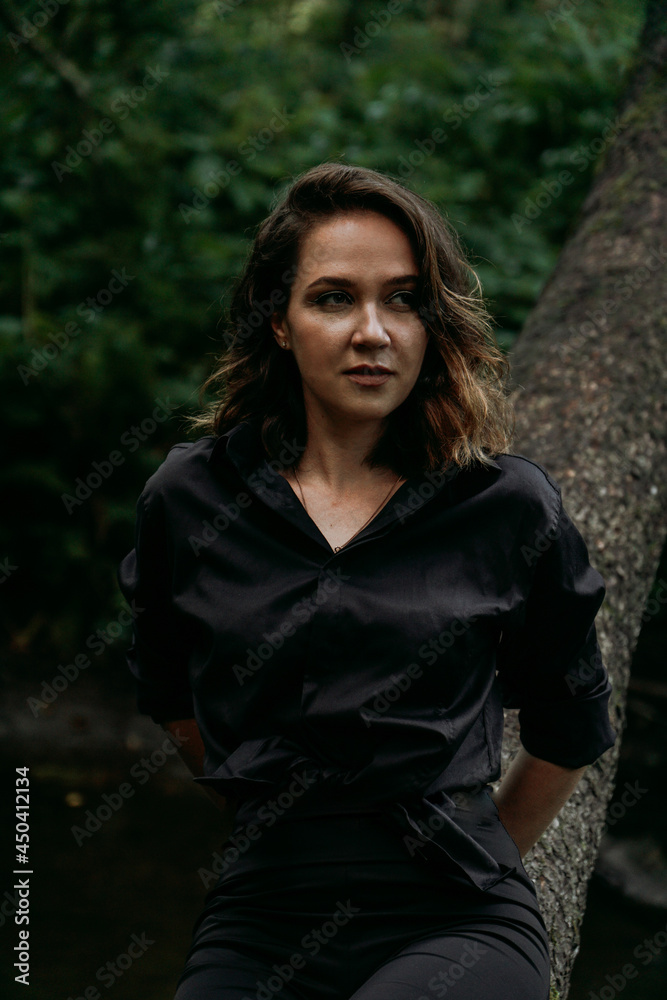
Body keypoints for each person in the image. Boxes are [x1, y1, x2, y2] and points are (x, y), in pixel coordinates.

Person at [117, 162, 617, 1000]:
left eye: (404, 299)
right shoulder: (190, 499)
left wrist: (480, 855)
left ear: (434, 323)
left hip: (455, 913)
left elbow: (569, 731)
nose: (373, 331)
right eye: (333, 298)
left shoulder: (503, 507)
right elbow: (174, 699)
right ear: (278, 322)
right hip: (261, 911)